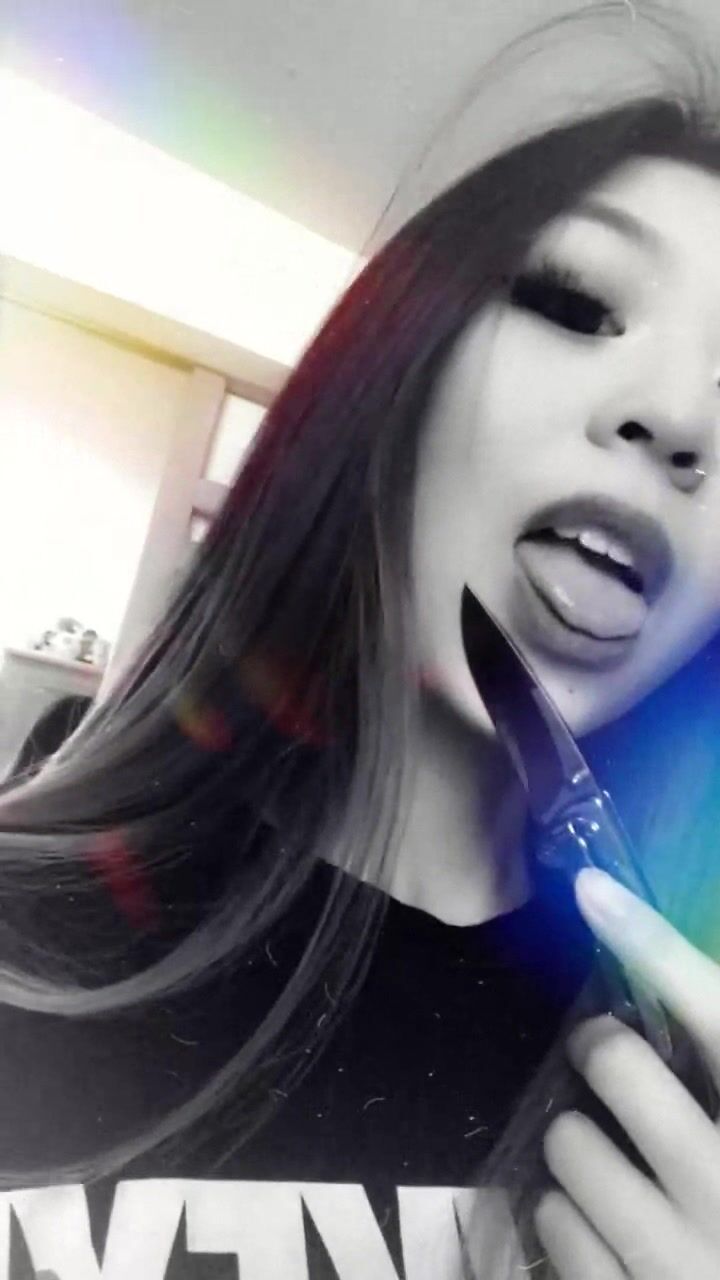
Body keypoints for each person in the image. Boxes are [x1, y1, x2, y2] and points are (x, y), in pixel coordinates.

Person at [3, 5, 720, 1277]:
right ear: (394, 369)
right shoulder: (24, 932)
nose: (675, 418)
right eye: (575, 300)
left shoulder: (685, 1090)